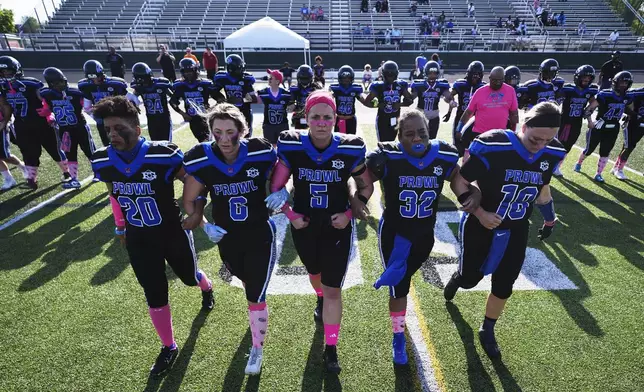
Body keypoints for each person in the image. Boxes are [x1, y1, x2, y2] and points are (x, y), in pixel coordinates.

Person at [90, 96, 214, 377]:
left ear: (136, 126)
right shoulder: (102, 160)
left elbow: (193, 179)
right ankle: (168, 346)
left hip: (171, 231)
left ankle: (206, 286)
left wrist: (195, 210)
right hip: (138, 237)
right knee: (154, 293)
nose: (112, 134)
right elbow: (114, 193)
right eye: (107, 129)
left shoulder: (163, 154)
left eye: (118, 127)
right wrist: (120, 226)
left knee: (188, 276)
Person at [444, 102, 567, 359]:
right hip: (481, 224)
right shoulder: (494, 146)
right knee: (470, 279)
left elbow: (542, 190)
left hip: (516, 227)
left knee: (505, 283)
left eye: (547, 139)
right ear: (524, 126)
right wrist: (480, 213)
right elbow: (460, 180)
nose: (541, 145)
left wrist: (550, 219)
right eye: (535, 138)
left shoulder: (552, 151)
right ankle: (459, 278)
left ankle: (487, 328)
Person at [361, 109, 479, 365]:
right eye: (409, 134)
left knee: (403, 280)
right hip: (395, 235)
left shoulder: (443, 155)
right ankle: (398, 336)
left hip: (425, 235)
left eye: (422, 133)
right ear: (399, 136)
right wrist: (357, 199)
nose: (417, 138)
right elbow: (362, 181)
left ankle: (399, 323)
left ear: (429, 133)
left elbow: (458, 178)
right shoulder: (388, 156)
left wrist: (472, 195)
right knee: (399, 286)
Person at [268, 90, 374, 373]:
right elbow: (276, 189)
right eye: (316, 116)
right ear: (306, 118)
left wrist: (351, 213)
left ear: (335, 119)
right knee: (314, 274)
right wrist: (290, 214)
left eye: (327, 117)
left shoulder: (349, 148)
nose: (322, 122)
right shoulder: (292, 145)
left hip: (336, 225)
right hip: (304, 224)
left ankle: (331, 347)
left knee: (333, 289)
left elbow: (366, 186)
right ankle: (318, 298)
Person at [182, 103, 278, 375]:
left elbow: (283, 176)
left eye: (230, 132)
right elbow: (189, 199)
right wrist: (203, 224)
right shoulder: (201, 158)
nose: (224, 139)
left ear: (242, 131)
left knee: (255, 294)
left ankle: (257, 349)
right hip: (228, 237)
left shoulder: (259, 151)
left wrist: (282, 192)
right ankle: (257, 316)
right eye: (217, 132)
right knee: (246, 279)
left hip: (259, 232)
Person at [0, 56, 71, 190]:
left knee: (54, 149)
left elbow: (44, 98)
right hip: (21, 123)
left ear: (16, 70)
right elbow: (5, 105)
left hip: (41, 122)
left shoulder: (30, 83)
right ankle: (31, 180)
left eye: (8, 71)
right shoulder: (3, 86)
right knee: (28, 152)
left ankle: (67, 173)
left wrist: (48, 110)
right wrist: (6, 120)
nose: (5, 75)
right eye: (2, 72)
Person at [41, 67, 96, 189]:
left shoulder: (75, 93)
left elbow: (87, 105)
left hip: (79, 127)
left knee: (89, 151)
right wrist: (48, 115)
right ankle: (74, 179)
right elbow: (46, 108)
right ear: (50, 84)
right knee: (70, 154)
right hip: (65, 130)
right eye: (57, 83)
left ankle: (99, 173)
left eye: (62, 81)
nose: (61, 85)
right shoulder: (47, 94)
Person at [575, 71, 635, 183]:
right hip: (600, 125)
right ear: (615, 82)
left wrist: (628, 117)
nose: (623, 85)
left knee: (605, 152)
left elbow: (630, 109)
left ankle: (598, 174)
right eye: (621, 82)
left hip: (613, 127)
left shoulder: (627, 97)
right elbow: (589, 109)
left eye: (626, 83)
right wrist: (590, 121)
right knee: (589, 150)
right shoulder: (605, 95)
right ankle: (579, 163)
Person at [457, 67, 519, 157]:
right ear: (489, 78)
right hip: (479, 134)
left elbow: (514, 113)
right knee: (477, 160)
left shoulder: (510, 91)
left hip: (499, 134)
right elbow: (468, 112)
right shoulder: (480, 92)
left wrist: (513, 133)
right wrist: (459, 129)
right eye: (494, 80)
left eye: (499, 80)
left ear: (503, 79)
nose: (497, 83)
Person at [552, 65, 598, 177]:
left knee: (568, 146)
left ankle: (557, 166)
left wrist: (589, 115)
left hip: (577, 122)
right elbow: (556, 101)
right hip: (565, 121)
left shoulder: (590, 91)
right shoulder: (568, 89)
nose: (586, 80)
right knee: (558, 144)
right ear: (578, 77)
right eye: (584, 78)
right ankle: (550, 164)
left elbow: (594, 103)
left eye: (588, 78)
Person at [78, 59, 132, 147]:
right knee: (108, 145)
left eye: (97, 76)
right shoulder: (86, 86)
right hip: (102, 121)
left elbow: (132, 99)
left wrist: (124, 114)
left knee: (124, 142)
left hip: (117, 118)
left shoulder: (115, 83)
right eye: (92, 78)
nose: (95, 80)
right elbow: (87, 108)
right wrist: (97, 117)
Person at [363, 61, 413, 142]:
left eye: (392, 75)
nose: (390, 77)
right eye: (388, 75)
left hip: (395, 118)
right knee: (382, 143)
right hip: (382, 119)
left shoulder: (400, 85)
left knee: (392, 141)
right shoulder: (378, 86)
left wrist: (400, 104)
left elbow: (410, 100)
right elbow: (366, 102)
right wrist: (378, 105)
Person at [444, 61, 486, 156]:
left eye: (478, 75)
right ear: (469, 74)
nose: (475, 78)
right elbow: (449, 96)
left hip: (476, 121)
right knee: (458, 147)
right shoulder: (461, 85)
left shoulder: (483, 87)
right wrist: (450, 104)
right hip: (460, 118)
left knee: (475, 147)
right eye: (473, 75)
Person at [169, 58, 216, 143]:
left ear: (195, 70)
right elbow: (173, 102)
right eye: (186, 71)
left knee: (208, 142)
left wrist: (211, 110)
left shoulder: (205, 84)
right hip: (193, 119)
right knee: (202, 142)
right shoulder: (181, 86)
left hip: (205, 118)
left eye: (190, 71)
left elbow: (220, 98)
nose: (188, 74)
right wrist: (183, 114)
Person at [408, 61, 456, 139]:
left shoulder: (441, 85)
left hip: (434, 115)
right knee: (420, 138)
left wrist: (450, 107)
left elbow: (449, 97)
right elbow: (411, 98)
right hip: (421, 115)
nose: (432, 75)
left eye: (434, 73)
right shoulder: (419, 85)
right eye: (430, 73)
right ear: (426, 72)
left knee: (432, 139)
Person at [130, 62, 174, 142]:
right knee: (154, 143)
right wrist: (134, 104)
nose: (141, 80)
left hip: (164, 118)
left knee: (167, 143)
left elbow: (173, 97)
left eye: (143, 78)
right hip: (151, 119)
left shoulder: (161, 84)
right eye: (139, 78)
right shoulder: (139, 88)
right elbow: (133, 98)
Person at [213, 54, 256, 134]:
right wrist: (223, 100)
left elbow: (254, 98)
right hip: (229, 112)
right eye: (238, 68)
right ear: (231, 69)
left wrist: (241, 99)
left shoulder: (246, 79)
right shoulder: (223, 78)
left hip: (244, 112)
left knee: (245, 136)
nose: (241, 70)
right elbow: (213, 92)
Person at [612, 87, 644, 180]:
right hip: (635, 123)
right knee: (628, 146)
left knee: (628, 146)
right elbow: (624, 104)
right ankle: (619, 169)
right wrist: (635, 115)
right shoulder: (637, 93)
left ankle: (616, 167)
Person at [256, 69, 293, 144]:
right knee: (270, 146)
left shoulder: (286, 94)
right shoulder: (264, 93)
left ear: (277, 81)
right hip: (268, 125)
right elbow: (252, 100)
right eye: (269, 77)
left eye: (271, 78)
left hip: (282, 125)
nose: (269, 79)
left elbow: (292, 105)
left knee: (283, 145)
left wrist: (292, 106)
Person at [329, 65, 366, 135]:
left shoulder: (355, 89)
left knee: (350, 140)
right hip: (340, 119)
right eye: (344, 78)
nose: (346, 80)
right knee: (339, 141)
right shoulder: (336, 89)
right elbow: (328, 97)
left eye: (348, 78)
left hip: (351, 119)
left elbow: (364, 100)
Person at [0, 112, 27, 190]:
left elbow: (6, 108)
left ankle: (23, 167)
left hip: (2, 125)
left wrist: (4, 123)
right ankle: (9, 179)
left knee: (5, 155)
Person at [290, 64, 322, 130]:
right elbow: (290, 106)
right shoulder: (295, 88)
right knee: (299, 136)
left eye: (306, 78)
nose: (304, 81)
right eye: (302, 78)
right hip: (299, 115)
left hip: (313, 115)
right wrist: (293, 107)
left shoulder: (317, 88)